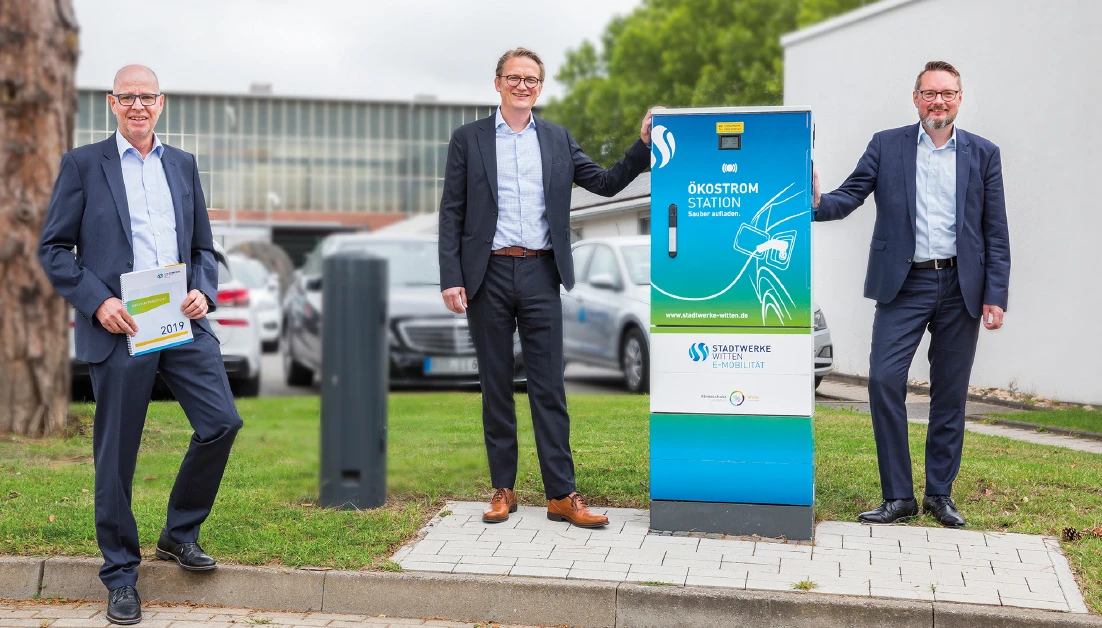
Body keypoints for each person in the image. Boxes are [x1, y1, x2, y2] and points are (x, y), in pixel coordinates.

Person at [39, 65, 242, 624]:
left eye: (146, 97)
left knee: (222, 421)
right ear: (111, 103)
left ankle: (179, 533)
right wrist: (99, 302)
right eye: (127, 96)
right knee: (118, 453)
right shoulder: (83, 165)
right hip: (122, 327)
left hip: (181, 323)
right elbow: (55, 249)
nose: (137, 105)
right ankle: (121, 576)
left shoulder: (181, 164)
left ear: (161, 103)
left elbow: (203, 247)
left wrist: (203, 290)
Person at [438, 48, 655, 528]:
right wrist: (451, 276)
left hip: (541, 273)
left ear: (540, 86)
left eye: (531, 79)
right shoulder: (468, 140)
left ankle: (561, 495)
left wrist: (641, 145)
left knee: (549, 387)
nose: (522, 86)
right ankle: (503, 489)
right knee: (496, 385)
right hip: (487, 274)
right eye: (513, 78)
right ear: (497, 83)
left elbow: (605, 182)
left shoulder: (557, 139)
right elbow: (452, 211)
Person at [813, 60, 1010, 528]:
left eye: (947, 93)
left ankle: (940, 494)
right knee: (883, 380)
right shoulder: (887, 145)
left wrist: (995, 294)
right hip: (904, 284)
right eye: (929, 93)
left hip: (962, 284)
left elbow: (995, 230)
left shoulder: (984, 153)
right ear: (916, 98)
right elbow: (849, 196)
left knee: (950, 393)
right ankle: (898, 496)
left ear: (959, 99)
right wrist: (816, 202)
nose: (938, 101)